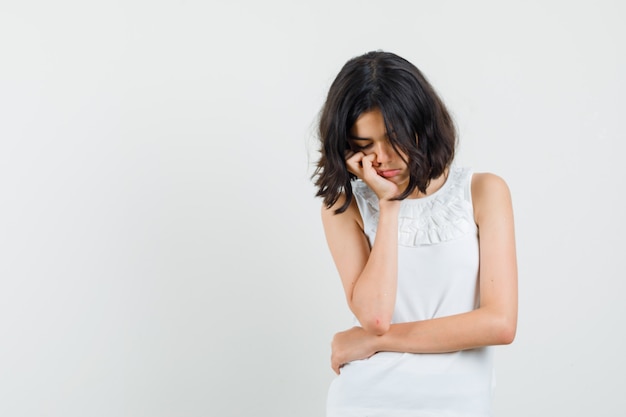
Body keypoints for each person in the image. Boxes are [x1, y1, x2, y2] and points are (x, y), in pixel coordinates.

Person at [312, 50, 518, 417]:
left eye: (393, 139)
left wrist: (372, 342)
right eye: (364, 147)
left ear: (422, 124)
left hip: (458, 404)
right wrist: (389, 205)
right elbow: (375, 317)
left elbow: (499, 324)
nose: (381, 158)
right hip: (365, 400)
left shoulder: (484, 192)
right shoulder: (344, 207)